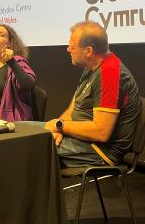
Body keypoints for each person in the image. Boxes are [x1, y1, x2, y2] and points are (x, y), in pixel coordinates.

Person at [45, 20, 139, 168]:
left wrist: (59, 125)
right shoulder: (91, 68)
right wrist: (59, 130)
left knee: (31, 147)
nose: (68, 49)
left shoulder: (110, 73)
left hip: (100, 151)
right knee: (24, 131)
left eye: (72, 46)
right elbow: (73, 109)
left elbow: (101, 132)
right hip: (82, 140)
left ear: (88, 51)